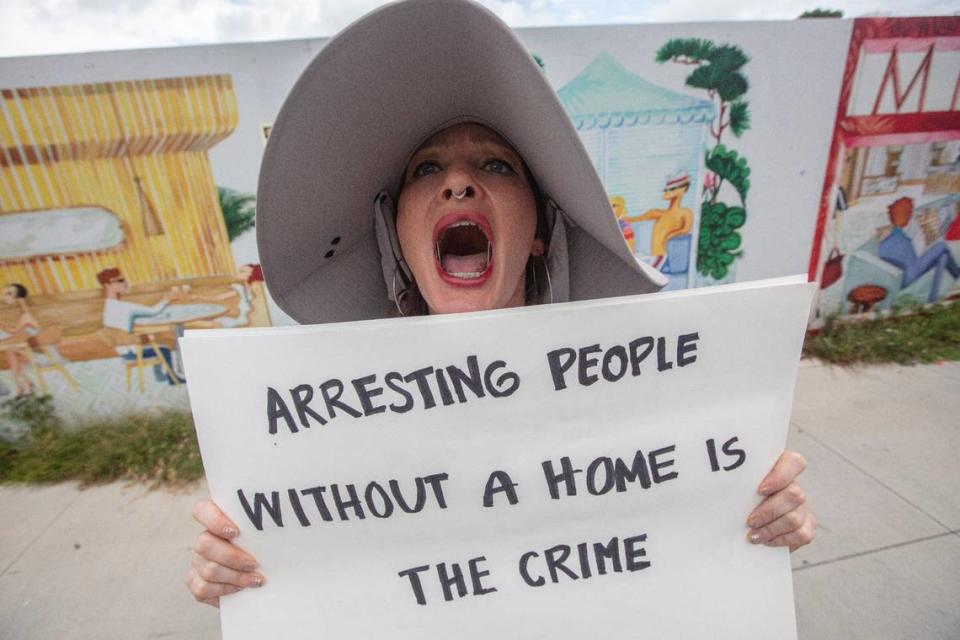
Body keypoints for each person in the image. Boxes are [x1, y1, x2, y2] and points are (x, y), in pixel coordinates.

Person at [186, 0, 814, 607]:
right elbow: (320, 585)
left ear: (538, 231)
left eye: (496, 164)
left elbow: (685, 560)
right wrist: (248, 579)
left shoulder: (648, 407)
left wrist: (754, 520)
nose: (459, 182)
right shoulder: (317, 435)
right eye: (426, 170)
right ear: (398, 236)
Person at [97, 268, 183, 385]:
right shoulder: (123, 307)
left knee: (156, 344)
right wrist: (167, 299)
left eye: (124, 279)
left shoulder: (109, 306)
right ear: (108, 285)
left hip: (123, 350)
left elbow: (129, 319)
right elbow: (153, 311)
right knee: (164, 349)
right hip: (132, 351)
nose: (124, 283)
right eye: (120, 280)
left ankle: (160, 376)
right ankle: (173, 379)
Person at [878, 197, 960, 288]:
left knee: (942, 255)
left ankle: (936, 293)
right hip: (906, 278)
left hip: (897, 279)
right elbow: (912, 265)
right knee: (941, 247)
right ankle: (957, 274)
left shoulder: (888, 240)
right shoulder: (902, 240)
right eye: (909, 214)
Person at [1, 283, 40, 396]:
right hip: (23, 344)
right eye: (5, 293)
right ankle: (24, 384)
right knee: (12, 354)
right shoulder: (24, 314)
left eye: (9, 294)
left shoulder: (26, 315)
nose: (5, 297)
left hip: (31, 347)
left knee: (11, 354)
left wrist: (2, 326)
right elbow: (15, 330)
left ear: (19, 298)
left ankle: (20, 386)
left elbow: (15, 331)